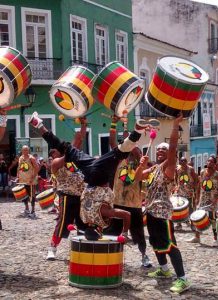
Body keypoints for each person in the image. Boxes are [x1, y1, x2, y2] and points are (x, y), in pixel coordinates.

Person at [28, 111, 150, 240]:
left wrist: (124, 233)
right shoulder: (85, 217)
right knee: (63, 146)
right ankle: (38, 124)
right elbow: (78, 223)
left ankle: (137, 131)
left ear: (98, 229)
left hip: (99, 176)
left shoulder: (102, 214)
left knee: (120, 152)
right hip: (89, 171)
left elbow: (126, 215)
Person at [142, 114, 190, 294]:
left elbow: (173, 148)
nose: (161, 151)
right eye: (159, 150)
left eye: (164, 150)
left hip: (162, 213)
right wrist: (141, 164)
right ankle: (163, 269)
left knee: (170, 245)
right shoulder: (154, 169)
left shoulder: (169, 168)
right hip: (151, 211)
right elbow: (138, 177)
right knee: (155, 243)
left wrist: (175, 126)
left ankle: (183, 279)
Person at [107, 117, 157, 267]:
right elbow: (114, 142)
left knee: (139, 234)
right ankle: (110, 255)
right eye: (131, 148)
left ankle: (143, 256)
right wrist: (115, 124)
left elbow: (142, 175)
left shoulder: (141, 166)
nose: (133, 150)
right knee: (112, 232)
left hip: (134, 204)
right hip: (117, 202)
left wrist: (146, 165)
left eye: (136, 150)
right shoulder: (119, 161)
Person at [40, 118, 89, 260]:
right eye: (52, 152)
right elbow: (74, 147)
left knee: (83, 223)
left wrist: (83, 123)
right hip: (67, 196)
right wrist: (75, 141)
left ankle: (82, 248)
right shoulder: (56, 163)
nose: (54, 153)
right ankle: (52, 248)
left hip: (81, 195)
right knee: (62, 223)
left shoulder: (72, 158)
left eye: (55, 151)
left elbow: (80, 139)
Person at [189, 155, 218, 245]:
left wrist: (216, 197)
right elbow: (199, 185)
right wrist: (197, 198)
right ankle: (197, 237)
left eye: (211, 161)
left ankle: (215, 239)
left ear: (214, 164)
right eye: (208, 161)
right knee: (198, 217)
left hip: (212, 199)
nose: (209, 163)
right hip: (203, 198)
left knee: (213, 219)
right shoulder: (202, 172)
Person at [173, 156, 198, 230]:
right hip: (180, 192)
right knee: (179, 208)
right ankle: (179, 224)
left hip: (189, 192)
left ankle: (193, 224)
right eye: (181, 161)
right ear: (179, 162)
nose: (183, 162)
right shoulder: (177, 169)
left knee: (191, 208)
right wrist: (176, 187)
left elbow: (196, 179)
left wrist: (194, 188)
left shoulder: (190, 169)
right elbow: (176, 178)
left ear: (186, 162)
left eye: (184, 161)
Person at [17, 145, 40, 218]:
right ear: (22, 151)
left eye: (26, 150)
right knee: (24, 195)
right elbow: (19, 167)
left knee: (32, 195)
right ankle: (26, 209)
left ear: (28, 150)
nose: (25, 151)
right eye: (24, 150)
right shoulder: (21, 158)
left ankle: (33, 211)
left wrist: (33, 177)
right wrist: (18, 176)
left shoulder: (31, 158)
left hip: (31, 181)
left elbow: (37, 168)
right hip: (23, 180)